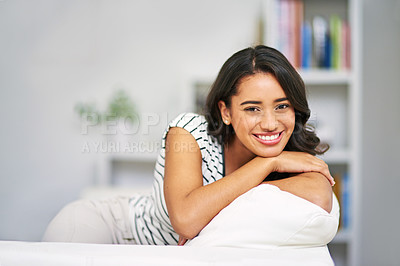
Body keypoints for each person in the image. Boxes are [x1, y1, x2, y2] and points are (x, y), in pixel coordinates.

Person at [42, 45, 335, 246]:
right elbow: (185, 220)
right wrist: (267, 164)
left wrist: (215, 206)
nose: (270, 123)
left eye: (281, 106)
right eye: (252, 109)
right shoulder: (188, 132)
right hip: (117, 230)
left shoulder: (294, 149)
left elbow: (321, 195)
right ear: (226, 112)